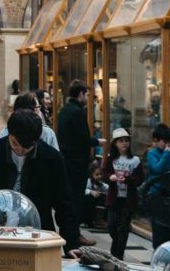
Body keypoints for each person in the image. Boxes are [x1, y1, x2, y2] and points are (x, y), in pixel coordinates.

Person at [0, 110, 80, 254]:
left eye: (27, 147)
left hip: (37, 236)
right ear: (9, 133)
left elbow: (65, 204)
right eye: (15, 143)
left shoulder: (52, 159)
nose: (19, 149)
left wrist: (72, 245)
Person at [57, 80, 105, 245]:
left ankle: (72, 233)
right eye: (86, 94)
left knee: (71, 199)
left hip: (68, 161)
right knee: (75, 200)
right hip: (75, 162)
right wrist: (96, 142)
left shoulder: (64, 110)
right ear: (80, 95)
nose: (88, 98)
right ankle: (72, 236)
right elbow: (81, 138)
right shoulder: (77, 112)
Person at [100, 128, 143, 259]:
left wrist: (128, 179)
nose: (124, 143)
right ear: (115, 144)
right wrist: (111, 177)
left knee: (123, 228)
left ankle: (117, 256)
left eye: (126, 141)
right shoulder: (111, 159)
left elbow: (140, 179)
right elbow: (104, 174)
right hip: (114, 198)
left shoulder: (135, 160)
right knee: (112, 226)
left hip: (128, 200)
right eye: (121, 141)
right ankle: (116, 250)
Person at [145, 122, 170, 250]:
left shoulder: (169, 154)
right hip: (156, 195)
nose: (167, 145)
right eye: (165, 141)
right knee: (158, 230)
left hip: (169, 195)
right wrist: (166, 154)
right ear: (156, 140)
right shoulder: (152, 153)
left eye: (169, 142)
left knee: (169, 231)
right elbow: (157, 169)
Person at [84, 159, 107, 229]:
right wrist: (91, 192)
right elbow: (83, 190)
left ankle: (99, 220)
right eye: (97, 175)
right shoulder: (88, 181)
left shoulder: (101, 184)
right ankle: (88, 221)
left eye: (101, 174)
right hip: (88, 202)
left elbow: (106, 188)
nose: (99, 176)